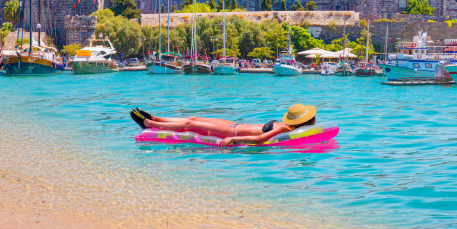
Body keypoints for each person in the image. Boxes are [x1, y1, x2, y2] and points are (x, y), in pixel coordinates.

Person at [130, 104, 317, 147]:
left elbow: (260, 139)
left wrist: (233, 139)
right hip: (234, 125)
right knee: (195, 118)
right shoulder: (285, 126)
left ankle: (149, 123)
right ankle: (155, 117)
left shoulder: (285, 128)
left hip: (233, 131)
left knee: (190, 124)